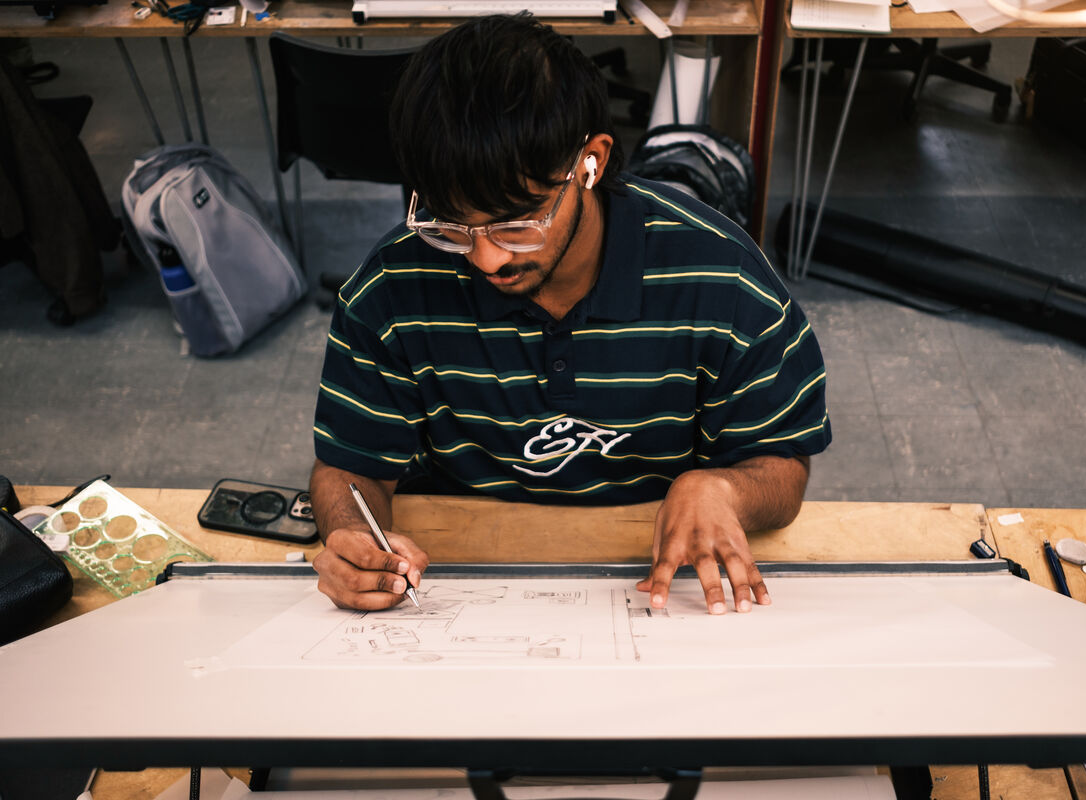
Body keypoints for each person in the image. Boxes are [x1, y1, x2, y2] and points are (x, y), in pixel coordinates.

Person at [309, 13, 831, 616]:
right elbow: (349, 466)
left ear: (591, 161)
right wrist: (351, 534)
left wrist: (723, 488)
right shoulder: (392, 287)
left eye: (516, 221)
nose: (485, 257)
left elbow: (781, 466)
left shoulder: (722, 278)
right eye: (452, 224)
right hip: (459, 580)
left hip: (661, 579)